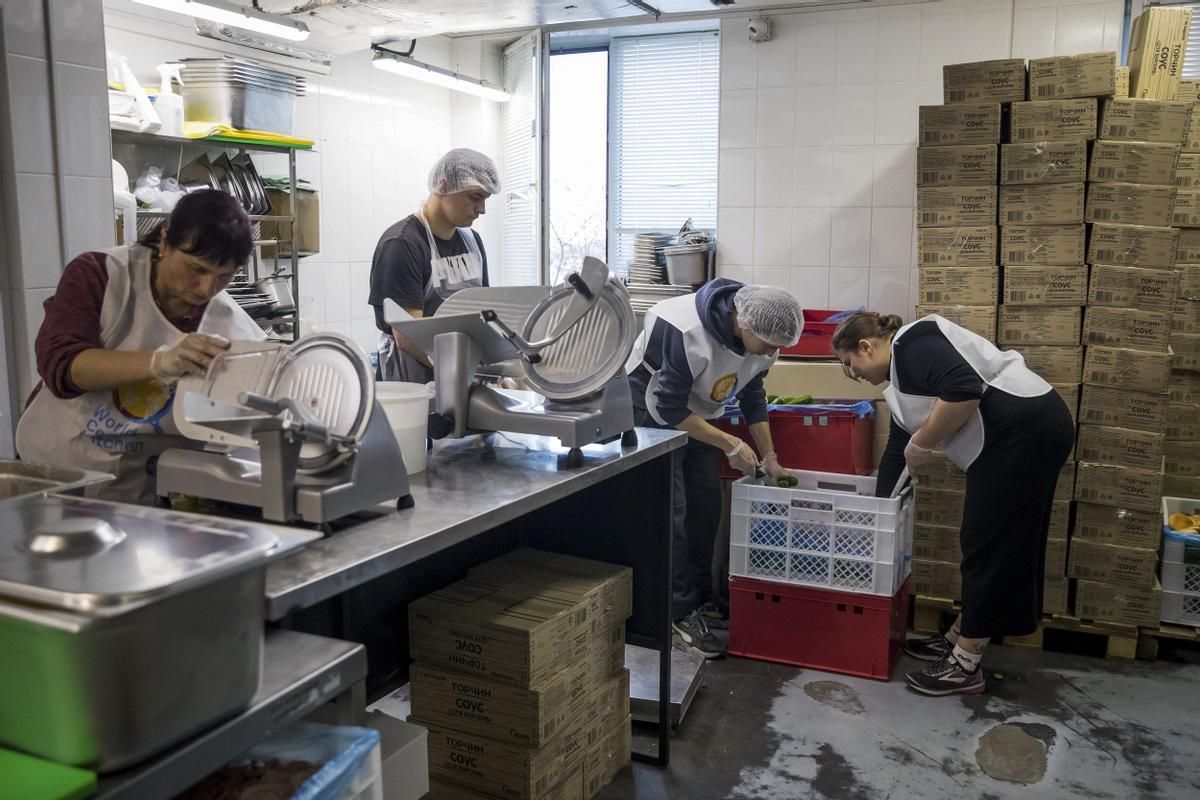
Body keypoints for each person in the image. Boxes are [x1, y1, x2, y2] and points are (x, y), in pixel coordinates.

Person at [832, 311, 1073, 696]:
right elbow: (898, 451)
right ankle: (961, 635)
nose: (854, 373)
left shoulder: (912, 343)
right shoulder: (901, 380)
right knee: (990, 540)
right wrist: (879, 512)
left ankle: (965, 665)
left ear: (866, 346)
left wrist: (923, 441)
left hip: (1025, 432)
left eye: (850, 364)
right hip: (1012, 439)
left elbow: (964, 390)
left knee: (988, 543)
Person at [15, 189, 264, 505]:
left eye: (223, 276)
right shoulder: (103, 274)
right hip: (59, 468)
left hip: (145, 483)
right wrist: (160, 363)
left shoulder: (226, 320)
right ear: (164, 242)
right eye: (196, 269)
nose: (207, 289)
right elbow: (62, 367)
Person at [626, 279, 804, 658]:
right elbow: (669, 408)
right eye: (770, 344)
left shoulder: (762, 338)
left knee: (705, 510)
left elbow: (753, 394)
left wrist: (769, 456)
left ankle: (698, 601)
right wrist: (731, 443)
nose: (774, 351)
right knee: (671, 517)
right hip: (650, 414)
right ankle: (673, 615)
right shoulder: (680, 327)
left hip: (701, 417)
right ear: (743, 323)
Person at [369, 148, 500, 383]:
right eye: (475, 197)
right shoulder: (402, 244)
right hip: (416, 388)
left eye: (485, 200)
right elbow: (408, 337)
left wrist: (495, 372)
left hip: (464, 378)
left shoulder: (473, 242)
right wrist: (463, 372)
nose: (482, 210)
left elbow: (485, 314)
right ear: (444, 185)